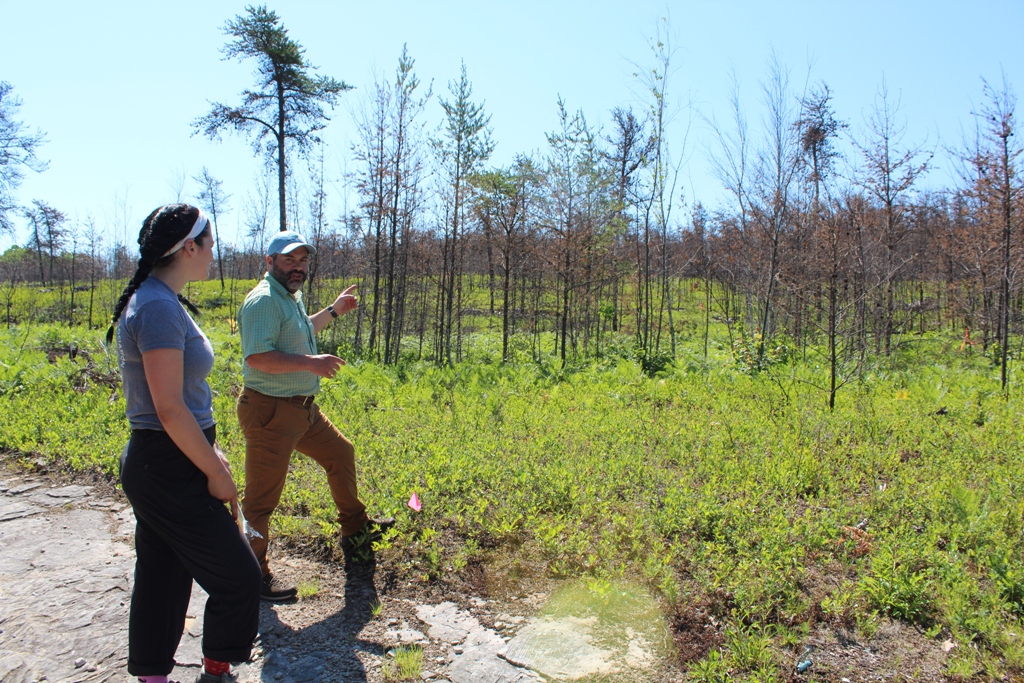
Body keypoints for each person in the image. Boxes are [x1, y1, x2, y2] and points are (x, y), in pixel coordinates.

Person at [109, 204, 261, 683]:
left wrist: (211, 451)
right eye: (211, 244)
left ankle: (156, 675)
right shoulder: (155, 307)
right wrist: (216, 473)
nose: (214, 254)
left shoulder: (160, 300)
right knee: (239, 577)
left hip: (170, 456)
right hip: (167, 461)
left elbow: (181, 407)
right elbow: (169, 409)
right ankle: (215, 671)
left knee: (163, 575)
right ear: (189, 247)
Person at [237, 230, 394, 601]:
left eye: (303, 260)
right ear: (270, 261)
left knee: (341, 454)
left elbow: (300, 328)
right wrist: (312, 362)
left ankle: (356, 530)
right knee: (261, 499)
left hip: (302, 410)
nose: (297, 267)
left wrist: (335, 310)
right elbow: (257, 357)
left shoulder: (287, 297)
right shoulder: (262, 301)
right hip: (271, 410)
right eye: (289, 260)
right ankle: (251, 573)